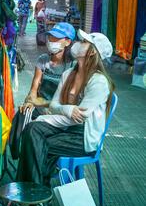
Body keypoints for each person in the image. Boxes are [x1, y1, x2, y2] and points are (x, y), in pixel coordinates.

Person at [16, 30, 115, 187]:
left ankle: (32, 193)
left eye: (84, 42)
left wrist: (46, 117)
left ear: (92, 52)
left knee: (37, 141)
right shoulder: (68, 74)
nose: (78, 43)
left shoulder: (99, 82)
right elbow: (55, 105)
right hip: (66, 126)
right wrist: (67, 109)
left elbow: (79, 117)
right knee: (32, 130)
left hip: (82, 136)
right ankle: (34, 194)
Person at [9, 22, 76, 159]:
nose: (51, 42)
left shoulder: (74, 65)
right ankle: (20, 155)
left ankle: (31, 158)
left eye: (56, 39)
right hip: (41, 104)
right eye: (50, 38)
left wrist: (49, 106)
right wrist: (29, 101)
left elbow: (71, 100)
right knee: (22, 113)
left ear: (68, 42)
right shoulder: (43, 60)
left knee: (32, 127)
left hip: (60, 110)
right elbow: (34, 89)